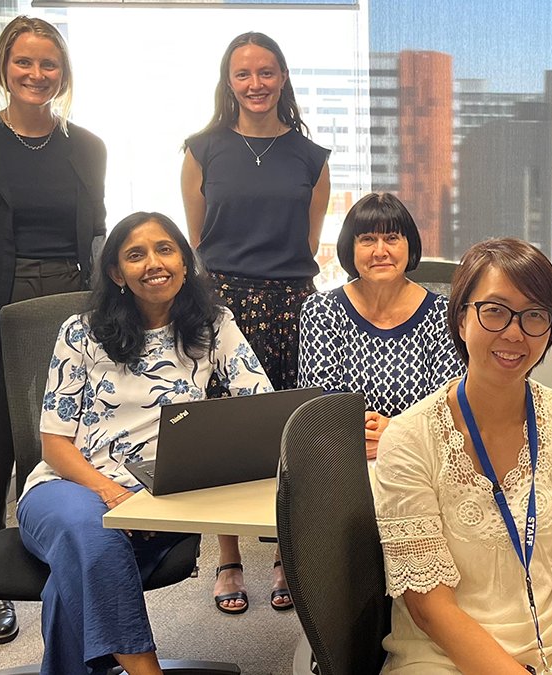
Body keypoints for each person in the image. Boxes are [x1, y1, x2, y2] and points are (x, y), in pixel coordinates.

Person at [17, 212, 272, 675]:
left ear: (184, 263)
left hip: (160, 500)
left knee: (70, 585)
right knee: (94, 531)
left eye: (165, 249)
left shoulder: (214, 325)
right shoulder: (81, 332)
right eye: (136, 255)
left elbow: (261, 404)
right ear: (117, 273)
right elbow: (54, 444)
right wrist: (114, 496)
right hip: (66, 487)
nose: (154, 262)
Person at [373, 238, 552, 674]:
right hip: (445, 657)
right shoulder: (410, 439)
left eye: (534, 315)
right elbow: (430, 607)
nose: (514, 333)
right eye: (494, 311)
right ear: (461, 318)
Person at [0, 15, 106, 643]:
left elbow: (97, 234)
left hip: (70, 302)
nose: (37, 74)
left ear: (64, 73)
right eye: (24, 62)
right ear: (4, 68)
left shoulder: (87, 146)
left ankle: (70, 558)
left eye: (48, 63)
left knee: (65, 441)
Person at [181, 31, 330, 614]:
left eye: (266, 72)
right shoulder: (202, 149)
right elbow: (197, 239)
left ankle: (284, 554)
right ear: (229, 81)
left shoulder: (310, 156)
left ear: (283, 77)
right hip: (222, 304)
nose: (255, 84)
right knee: (227, 432)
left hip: (292, 304)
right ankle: (228, 558)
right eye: (243, 74)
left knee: (289, 432)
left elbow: (310, 241)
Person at [298, 193, 463, 458]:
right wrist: (355, 435)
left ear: (410, 245)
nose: (380, 251)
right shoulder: (321, 310)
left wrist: (394, 434)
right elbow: (319, 403)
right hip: (341, 456)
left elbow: (446, 407)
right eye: (367, 239)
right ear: (350, 248)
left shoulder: (442, 315)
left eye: (392, 238)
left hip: (420, 457)